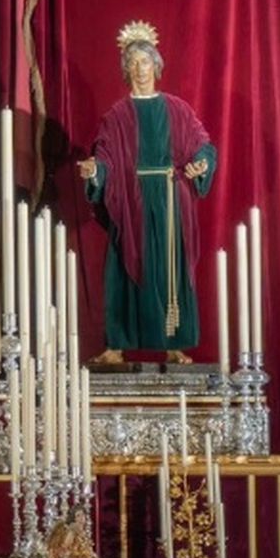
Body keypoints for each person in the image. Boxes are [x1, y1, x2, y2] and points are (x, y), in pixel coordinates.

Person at [78, 22, 216, 364]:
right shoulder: (117, 115)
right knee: (123, 267)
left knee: (171, 268)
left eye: (145, 61)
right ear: (126, 70)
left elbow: (203, 146)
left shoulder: (178, 109)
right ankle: (116, 345)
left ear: (156, 65)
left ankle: (174, 344)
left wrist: (201, 164)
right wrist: (96, 170)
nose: (139, 68)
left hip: (170, 198)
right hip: (131, 200)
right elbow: (105, 155)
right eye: (133, 63)